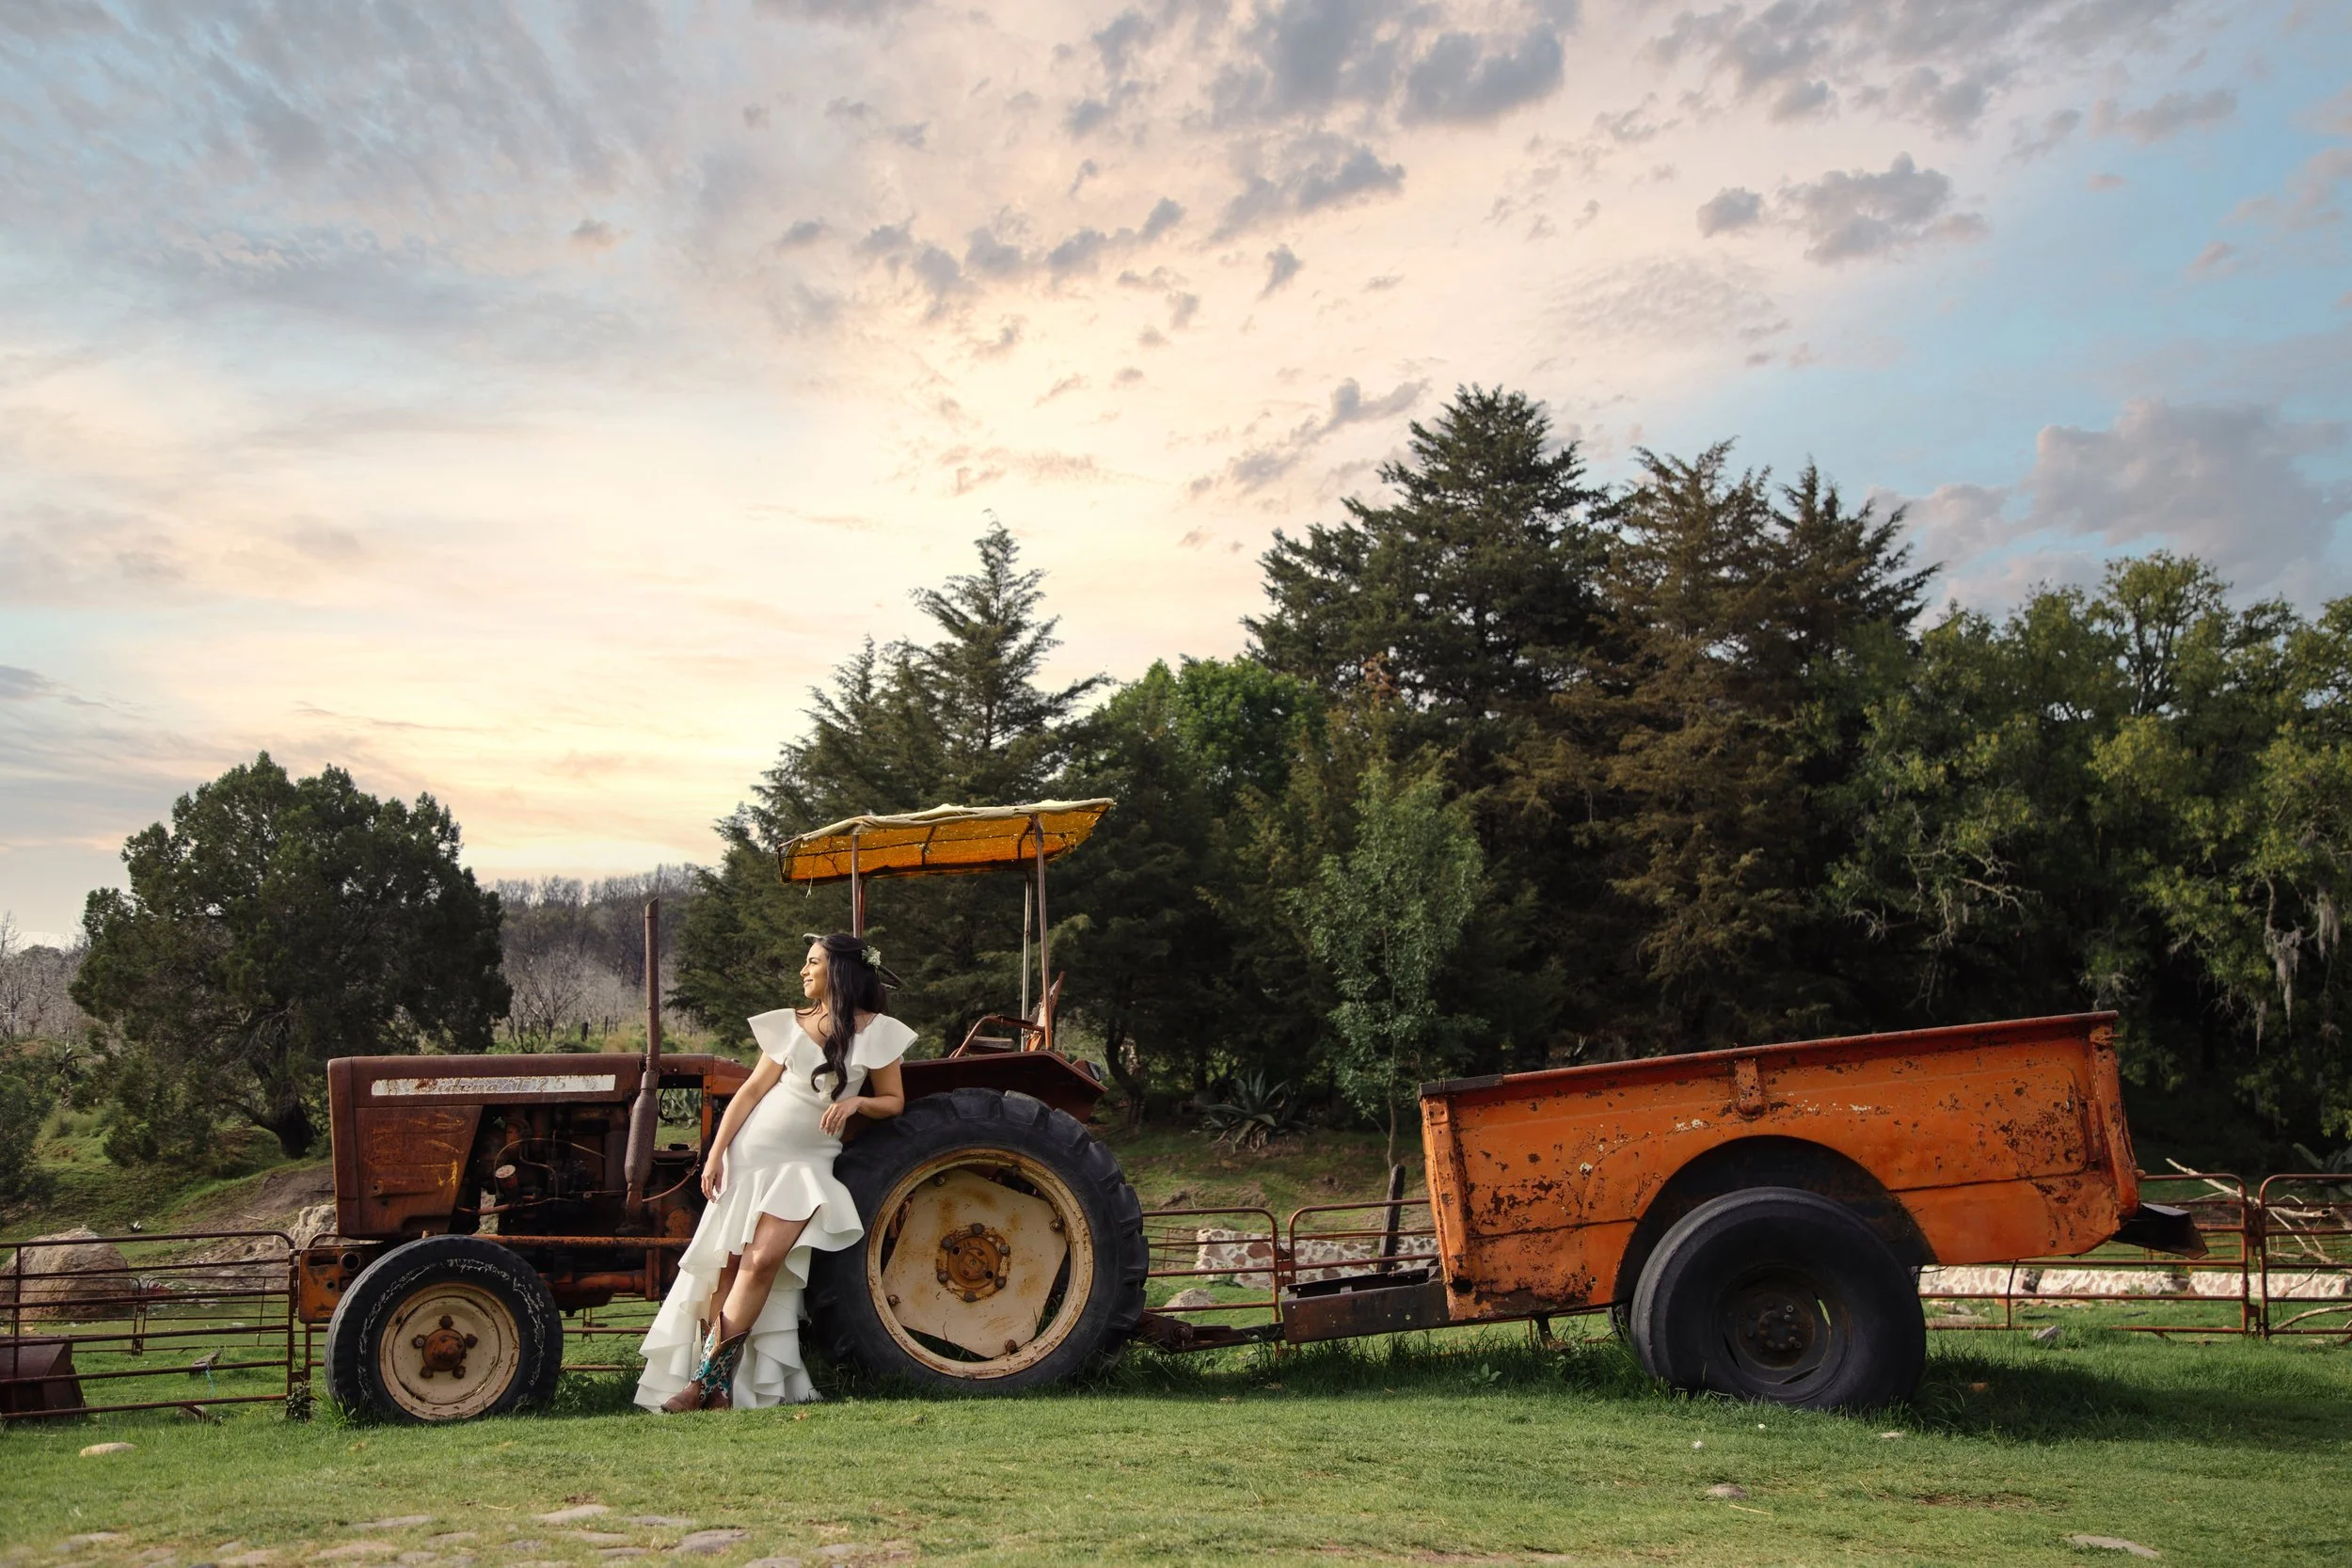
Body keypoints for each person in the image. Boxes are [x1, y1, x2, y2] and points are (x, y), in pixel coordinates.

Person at [634, 932, 910, 1411]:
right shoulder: (790, 1023)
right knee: (728, 1265)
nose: (803, 971)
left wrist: (858, 1103)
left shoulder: (879, 1032)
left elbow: (894, 1101)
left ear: (839, 970)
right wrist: (716, 1153)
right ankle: (714, 1389)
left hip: (807, 1164)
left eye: (813, 962)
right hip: (752, 1153)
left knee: (762, 1262)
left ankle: (702, 1385)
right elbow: (750, 1092)